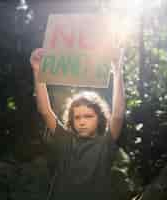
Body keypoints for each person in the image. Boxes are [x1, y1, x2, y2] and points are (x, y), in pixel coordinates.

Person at [29, 48, 125, 200]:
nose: (82, 122)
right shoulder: (66, 140)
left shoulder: (105, 143)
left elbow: (118, 114)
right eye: (77, 117)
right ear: (71, 121)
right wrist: (37, 70)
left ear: (99, 118)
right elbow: (45, 110)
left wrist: (118, 71)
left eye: (88, 116)